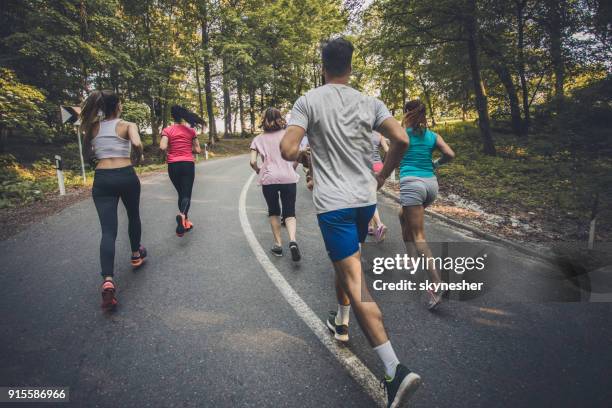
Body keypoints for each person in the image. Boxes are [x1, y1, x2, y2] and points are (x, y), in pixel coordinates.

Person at [280, 37, 421, 407]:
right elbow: (401, 139)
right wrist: (383, 175)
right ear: (351, 66)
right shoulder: (369, 102)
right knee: (347, 265)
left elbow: (287, 150)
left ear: (322, 65)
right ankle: (341, 321)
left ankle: (394, 370)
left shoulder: (307, 101)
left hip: (334, 207)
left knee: (357, 282)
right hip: (363, 201)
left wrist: (309, 156)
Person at [80, 90, 147, 310]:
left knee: (108, 231)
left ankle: (108, 279)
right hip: (126, 174)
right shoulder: (127, 125)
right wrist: (138, 157)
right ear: (117, 105)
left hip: (103, 179)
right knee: (133, 216)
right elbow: (136, 144)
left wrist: (95, 159)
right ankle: (136, 254)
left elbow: (87, 152)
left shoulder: (92, 127)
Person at [398, 100, 455, 309]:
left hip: (412, 184)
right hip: (431, 186)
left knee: (418, 235)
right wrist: (436, 164)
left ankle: (437, 283)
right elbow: (450, 154)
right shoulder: (432, 135)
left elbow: (391, 156)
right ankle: (411, 260)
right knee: (402, 215)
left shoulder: (402, 133)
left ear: (406, 113)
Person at [250, 108, 301, 262]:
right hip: (288, 178)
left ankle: (278, 245)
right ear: (280, 119)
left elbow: (252, 161)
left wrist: (259, 170)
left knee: (273, 211)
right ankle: (293, 241)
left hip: (269, 178)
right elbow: (296, 155)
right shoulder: (287, 135)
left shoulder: (258, 139)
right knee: (290, 212)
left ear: (263, 119)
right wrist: (291, 168)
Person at [159, 106, 205, 237]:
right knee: (186, 195)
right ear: (184, 116)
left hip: (173, 165)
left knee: (181, 193)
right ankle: (182, 215)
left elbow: (162, 146)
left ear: (172, 116)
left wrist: (171, 150)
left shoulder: (167, 130)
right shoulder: (190, 131)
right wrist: (187, 149)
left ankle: (185, 221)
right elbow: (198, 150)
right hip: (187, 164)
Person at [369, 131, 390, 242]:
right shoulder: (379, 134)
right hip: (379, 168)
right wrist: (384, 163)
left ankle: (379, 225)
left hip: (367, 168)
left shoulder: (359, 131)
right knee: (370, 197)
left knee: (369, 199)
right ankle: (371, 227)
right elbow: (387, 150)